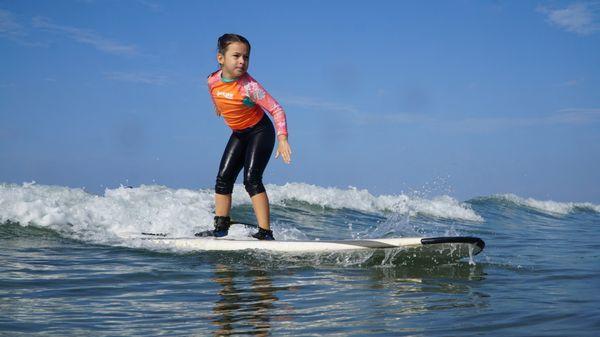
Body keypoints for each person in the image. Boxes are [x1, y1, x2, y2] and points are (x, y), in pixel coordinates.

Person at [196, 33, 292, 240]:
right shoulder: (212, 80)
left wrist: (282, 138)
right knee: (223, 178)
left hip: (260, 131)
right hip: (239, 133)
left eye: (246, 57)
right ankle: (221, 227)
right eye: (236, 56)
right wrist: (218, 107)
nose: (242, 61)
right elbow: (213, 90)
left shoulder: (249, 87)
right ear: (221, 59)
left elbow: (276, 109)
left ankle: (265, 232)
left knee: (251, 180)